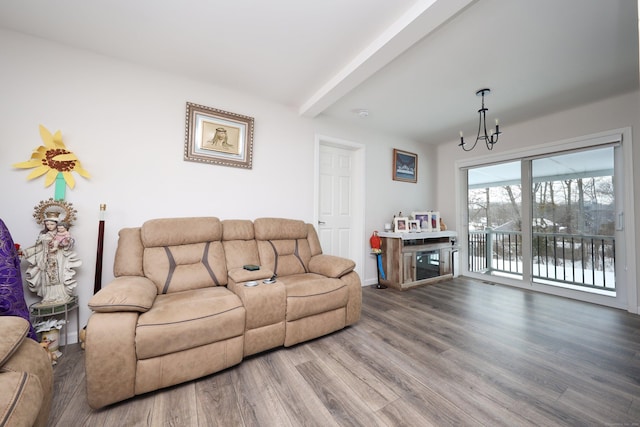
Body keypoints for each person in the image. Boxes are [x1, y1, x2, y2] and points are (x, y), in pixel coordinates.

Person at [25, 213, 81, 306]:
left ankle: (59, 296)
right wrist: (26, 252)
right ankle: (48, 297)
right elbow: (38, 247)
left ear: (57, 224)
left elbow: (68, 242)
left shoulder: (60, 233)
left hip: (58, 258)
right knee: (46, 278)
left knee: (57, 277)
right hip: (46, 258)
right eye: (47, 224)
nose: (49, 226)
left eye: (52, 224)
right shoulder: (44, 234)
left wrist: (62, 244)